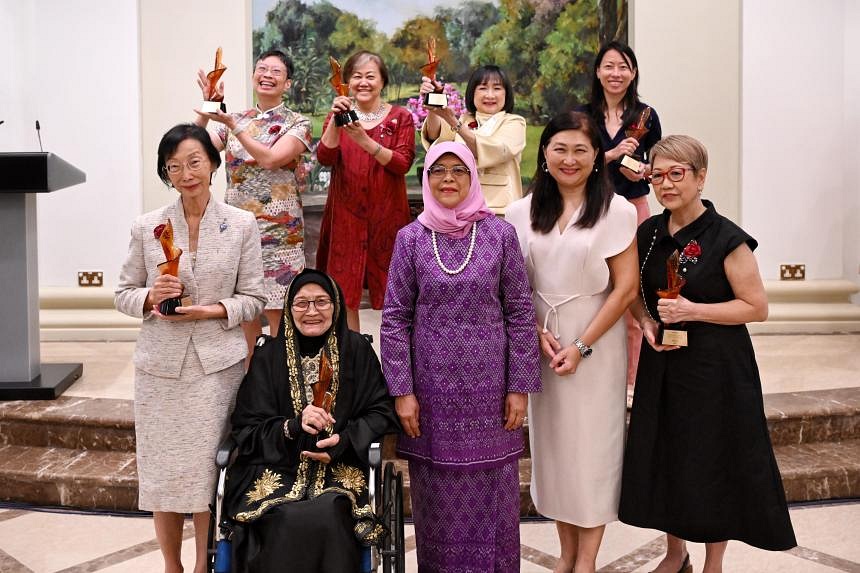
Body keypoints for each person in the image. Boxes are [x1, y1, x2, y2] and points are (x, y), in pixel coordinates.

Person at [619, 135, 796, 573]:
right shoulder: (649, 232)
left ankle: (714, 562)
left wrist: (694, 310)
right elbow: (632, 293)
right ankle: (675, 553)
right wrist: (644, 322)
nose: (666, 184)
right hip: (663, 363)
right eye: (657, 175)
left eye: (677, 174)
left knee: (713, 459)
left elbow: (757, 307)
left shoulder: (727, 238)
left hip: (716, 367)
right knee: (667, 454)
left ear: (701, 177)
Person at [381, 142, 541, 571]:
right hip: (430, 395)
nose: (448, 179)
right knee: (436, 500)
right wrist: (402, 392)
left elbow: (520, 313)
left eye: (458, 170)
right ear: (426, 180)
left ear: (473, 177)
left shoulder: (499, 234)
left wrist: (519, 388)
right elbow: (394, 318)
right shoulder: (410, 238)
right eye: (438, 171)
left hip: (491, 394)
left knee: (495, 500)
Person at [115, 123, 266, 573]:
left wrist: (213, 310)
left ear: (214, 164)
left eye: (194, 162)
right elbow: (123, 292)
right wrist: (149, 297)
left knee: (206, 474)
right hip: (160, 368)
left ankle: (203, 565)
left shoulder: (241, 224)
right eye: (174, 166)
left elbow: (256, 297)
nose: (186, 173)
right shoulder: (148, 226)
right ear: (167, 173)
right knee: (162, 475)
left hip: (217, 366)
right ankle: (171, 566)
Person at [505, 111, 639, 573]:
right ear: (544, 154)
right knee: (555, 452)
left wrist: (582, 346)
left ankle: (587, 560)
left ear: (597, 155)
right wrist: (534, 332)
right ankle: (565, 556)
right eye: (560, 148)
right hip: (542, 343)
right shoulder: (519, 212)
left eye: (581, 150)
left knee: (594, 452)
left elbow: (625, 288)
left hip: (595, 343)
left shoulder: (616, 211)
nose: (570, 158)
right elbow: (515, 286)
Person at [222, 268, 399, 573]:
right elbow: (246, 428)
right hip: (276, 468)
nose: (312, 311)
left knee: (328, 513)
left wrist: (343, 441)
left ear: (337, 306)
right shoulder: (268, 357)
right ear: (289, 310)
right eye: (302, 304)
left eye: (321, 302)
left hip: (338, 470)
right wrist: (290, 427)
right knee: (284, 516)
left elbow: (381, 411)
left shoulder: (356, 350)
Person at [194, 49, 312, 348]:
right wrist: (207, 108)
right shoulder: (234, 118)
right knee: (244, 312)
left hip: (279, 235)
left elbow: (271, 159)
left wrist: (236, 127)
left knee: (277, 314)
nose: (267, 75)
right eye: (262, 69)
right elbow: (194, 148)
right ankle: (249, 385)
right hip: (236, 231)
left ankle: (278, 388)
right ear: (253, 76)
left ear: (287, 84)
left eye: (276, 72)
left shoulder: (298, 123)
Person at [577, 41, 662, 390]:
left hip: (633, 210)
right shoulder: (583, 116)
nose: (616, 73)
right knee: (592, 292)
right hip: (591, 208)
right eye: (609, 66)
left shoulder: (646, 116)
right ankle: (595, 376)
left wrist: (641, 171)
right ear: (598, 72)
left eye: (624, 67)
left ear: (634, 73)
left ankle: (633, 383)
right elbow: (576, 163)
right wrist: (611, 156)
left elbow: (656, 165)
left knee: (634, 293)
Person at [316, 50, 416, 332]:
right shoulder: (337, 116)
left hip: (388, 219)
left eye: (370, 76)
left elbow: (402, 163)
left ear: (382, 81)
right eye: (356, 76)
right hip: (347, 218)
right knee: (344, 294)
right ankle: (355, 363)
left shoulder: (401, 116)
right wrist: (337, 123)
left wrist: (364, 140)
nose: (363, 82)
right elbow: (325, 157)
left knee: (395, 294)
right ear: (346, 82)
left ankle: (394, 365)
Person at [419, 64, 527, 214]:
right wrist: (433, 105)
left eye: (497, 88)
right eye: (483, 88)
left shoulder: (514, 122)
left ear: (506, 94)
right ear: (472, 93)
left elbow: (495, 150)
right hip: (461, 211)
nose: (490, 95)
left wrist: (454, 123)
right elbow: (436, 139)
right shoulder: (464, 120)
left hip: (500, 211)